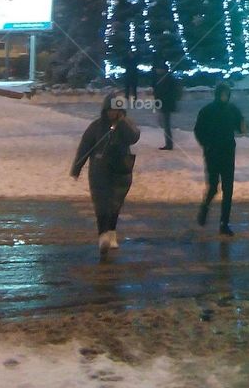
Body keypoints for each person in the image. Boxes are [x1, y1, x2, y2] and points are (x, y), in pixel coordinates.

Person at [70, 93, 140, 260]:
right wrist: (77, 167)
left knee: (115, 204)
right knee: (101, 203)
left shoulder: (126, 126)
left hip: (120, 172)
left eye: (116, 110)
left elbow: (134, 137)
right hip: (99, 172)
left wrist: (122, 122)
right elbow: (85, 147)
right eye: (109, 110)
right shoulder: (96, 127)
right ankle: (103, 235)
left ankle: (112, 232)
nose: (112, 113)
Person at [194, 83, 247, 236]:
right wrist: (207, 145)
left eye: (226, 94)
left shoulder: (232, 110)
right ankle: (205, 207)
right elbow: (198, 130)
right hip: (212, 154)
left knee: (228, 190)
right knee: (213, 186)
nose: (224, 97)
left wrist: (243, 125)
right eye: (222, 94)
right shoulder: (207, 111)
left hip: (228, 153)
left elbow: (241, 127)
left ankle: (224, 223)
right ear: (217, 95)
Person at [152, 60, 180, 150]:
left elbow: (165, 92)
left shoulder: (166, 79)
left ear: (162, 70)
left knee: (166, 124)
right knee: (165, 124)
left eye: (158, 69)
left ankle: (169, 144)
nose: (157, 70)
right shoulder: (164, 78)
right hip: (164, 103)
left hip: (165, 104)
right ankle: (168, 143)